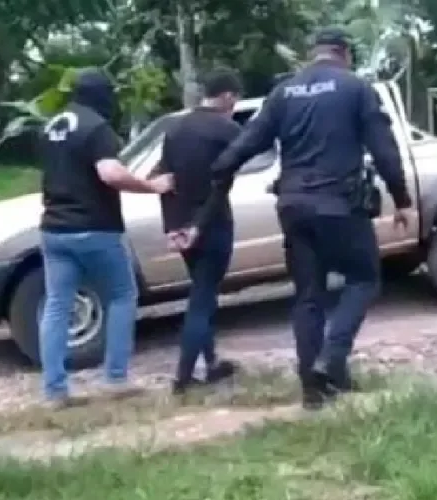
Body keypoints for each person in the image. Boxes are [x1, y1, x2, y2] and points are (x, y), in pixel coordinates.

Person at [176, 28, 413, 410]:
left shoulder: (283, 93)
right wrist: (401, 199)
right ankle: (331, 359)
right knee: (364, 278)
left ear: (313, 53)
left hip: (293, 207)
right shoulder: (355, 88)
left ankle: (313, 391)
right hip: (340, 205)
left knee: (308, 296)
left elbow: (245, 143)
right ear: (345, 54)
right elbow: (384, 150)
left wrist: (215, 172)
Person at [38, 68, 174, 409]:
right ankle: (116, 378)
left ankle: (55, 390)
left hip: (53, 228)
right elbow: (110, 173)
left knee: (57, 306)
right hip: (94, 227)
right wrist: (151, 186)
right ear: (102, 94)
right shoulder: (96, 128)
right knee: (121, 295)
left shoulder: (51, 125)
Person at [155, 69, 244, 394]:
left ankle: (211, 364)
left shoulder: (174, 126)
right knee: (203, 298)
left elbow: (166, 181)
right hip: (213, 223)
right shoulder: (228, 129)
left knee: (202, 291)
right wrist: (198, 226)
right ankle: (182, 377)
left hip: (182, 225)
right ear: (228, 97)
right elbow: (221, 186)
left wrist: (174, 228)